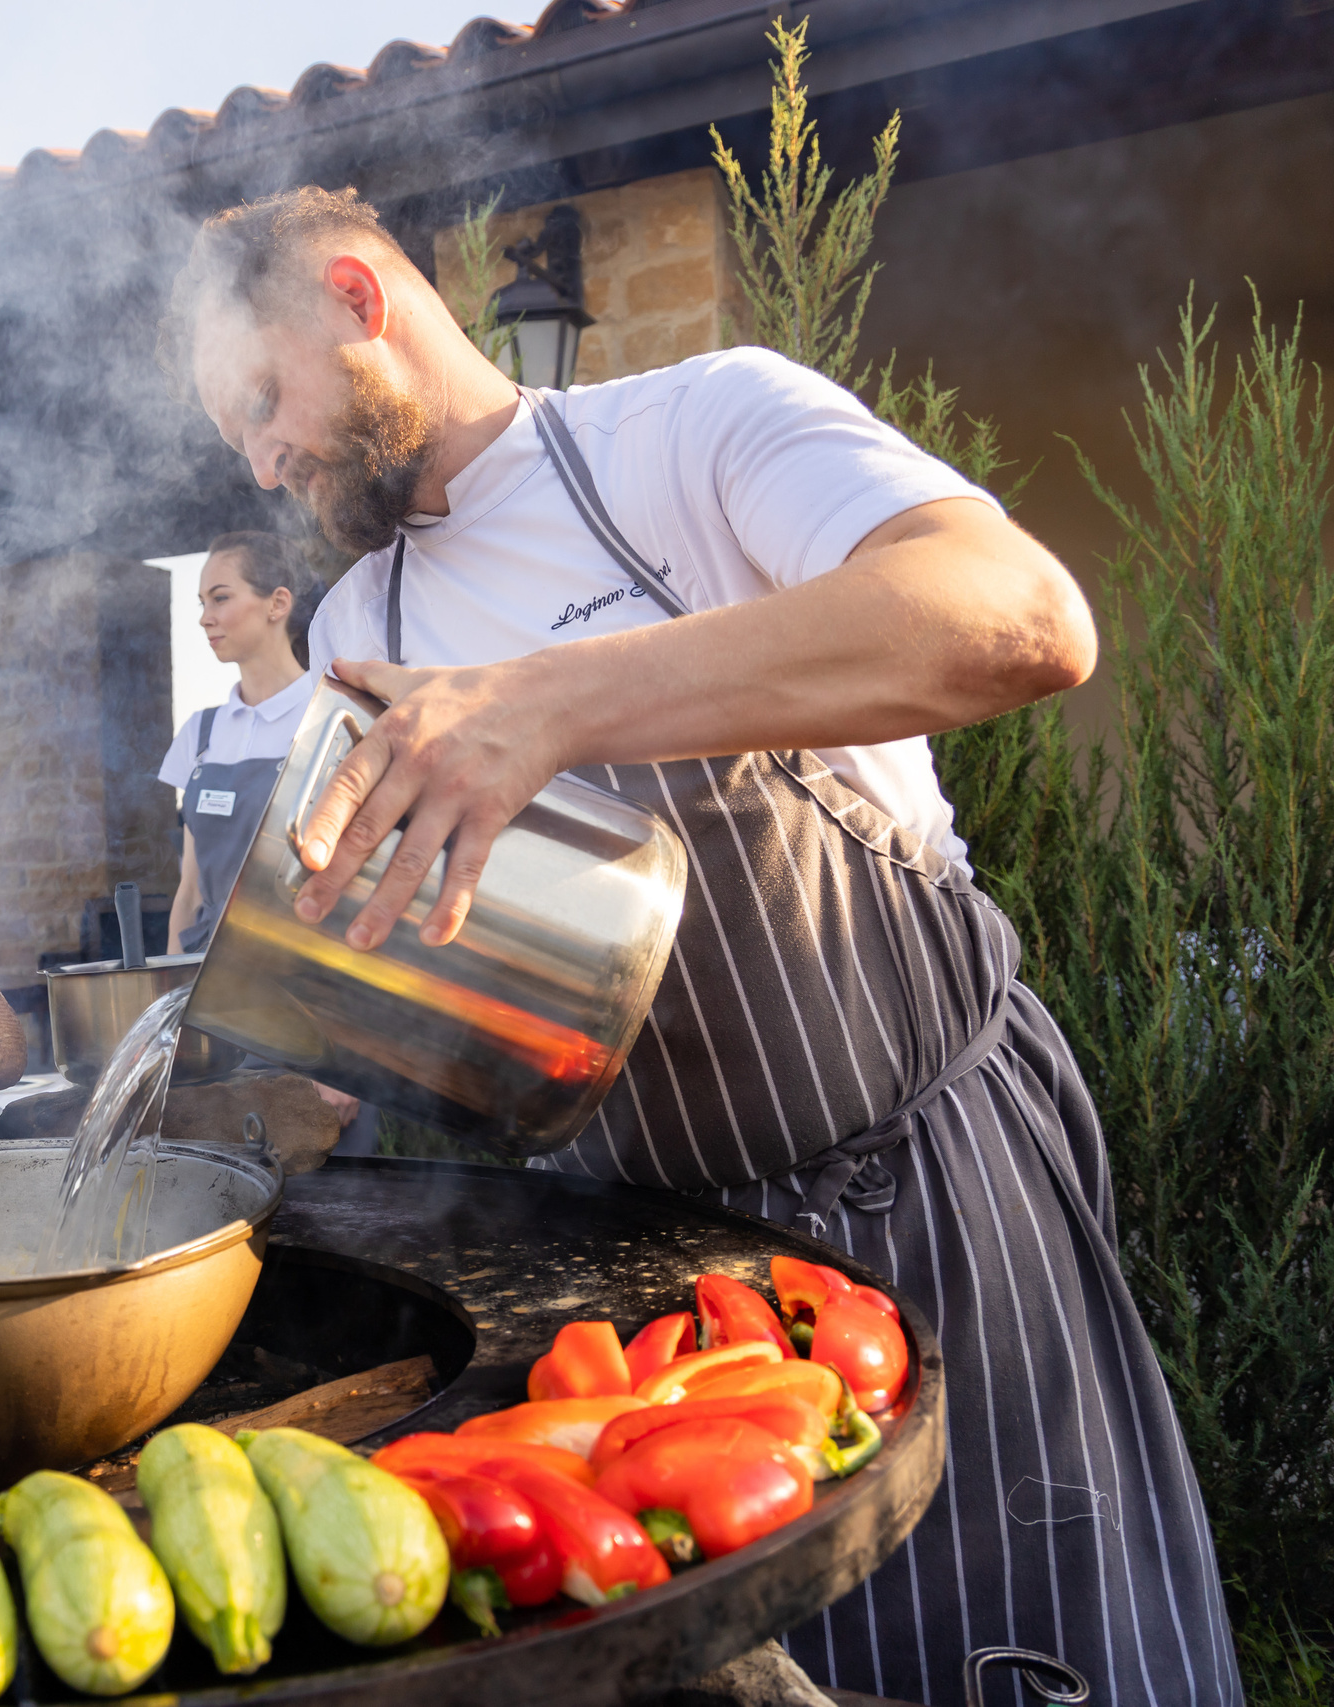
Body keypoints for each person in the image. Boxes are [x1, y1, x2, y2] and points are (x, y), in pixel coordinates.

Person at [165, 185, 1235, 1703]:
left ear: (356, 295)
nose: (263, 459)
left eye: (263, 402)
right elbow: (407, 983)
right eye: (240, 441)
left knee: (1049, 1641)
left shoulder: (689, 432)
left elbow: (1020, 616)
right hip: (654, 1280)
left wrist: (548, 702)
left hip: (927, 1188)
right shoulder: (360, 620)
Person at [160, 531, 322, 956]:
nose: (204, 618)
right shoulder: (200, 734)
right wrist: (169, 1002)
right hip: (206, 966)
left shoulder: (327, 717)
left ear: (278, 603)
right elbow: (191, 892)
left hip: (297, 965)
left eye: (221, 598)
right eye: (202, 602)